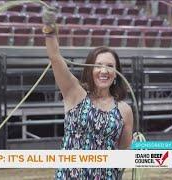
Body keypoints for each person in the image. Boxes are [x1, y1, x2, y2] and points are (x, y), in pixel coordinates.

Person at [42, 7, 133, 180]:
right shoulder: (75, 94)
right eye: (98, 65)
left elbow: (124, 156)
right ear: (90, 69)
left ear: (116, 73)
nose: (103, 71)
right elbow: (55, 57)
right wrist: (49, 30)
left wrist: (137, 151)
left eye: (110, 66)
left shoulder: (124, 110)